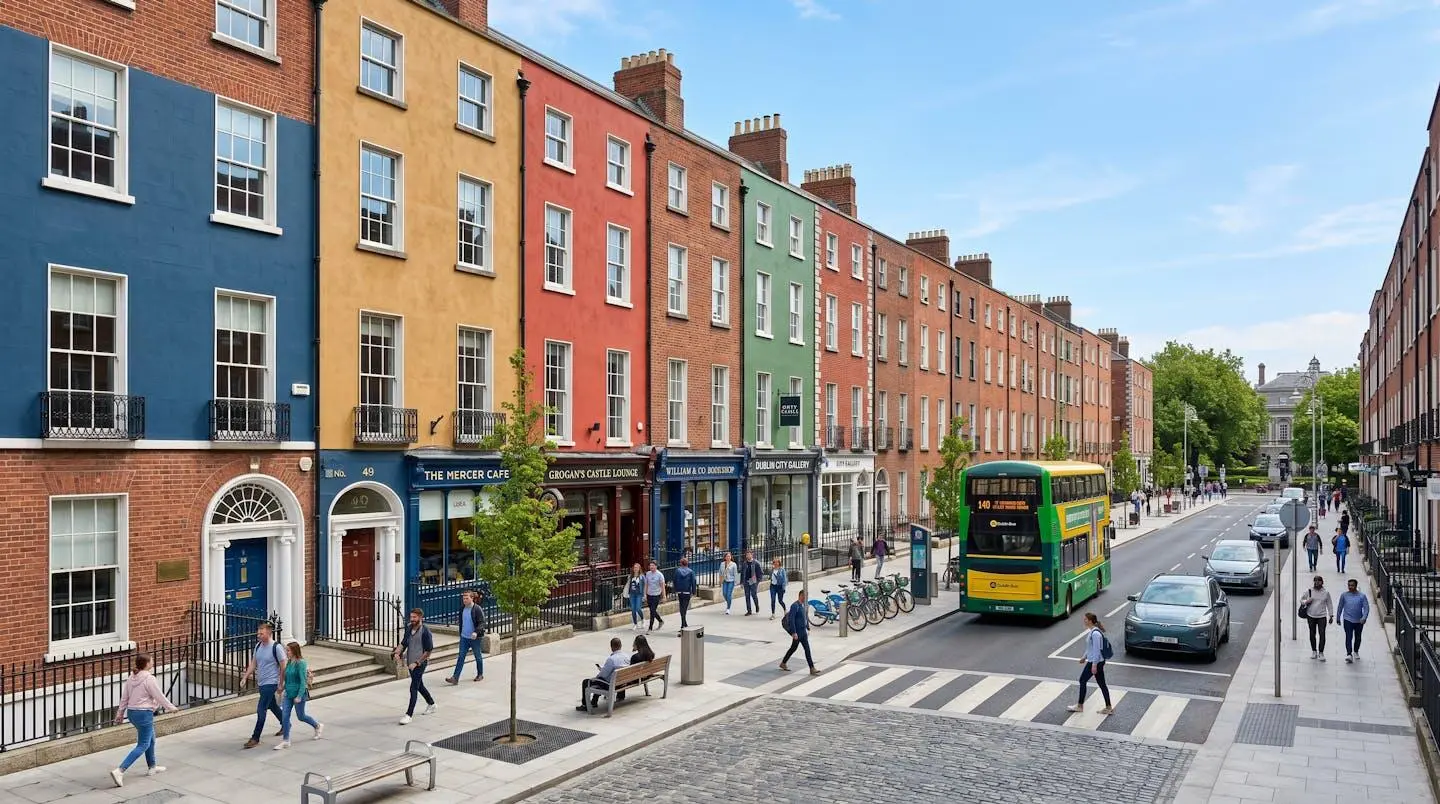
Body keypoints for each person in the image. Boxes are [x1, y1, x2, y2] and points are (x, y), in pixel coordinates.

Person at [109, 654, 177, 788]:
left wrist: (120, 714)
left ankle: (152, 767)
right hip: (144, 714)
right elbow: (159, 695)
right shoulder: (149, 679)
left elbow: (124, 698)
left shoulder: (131, 678)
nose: (153, 662)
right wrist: (171, 707)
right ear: (146, 664)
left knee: (151, 740)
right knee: (143, 744)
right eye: (152, 660)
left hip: (133, 713)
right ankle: (120, 771)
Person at [240, 622, 285, 749]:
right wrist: (245, 677)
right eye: (258, 633)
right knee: (272, 705)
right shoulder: (258, 646)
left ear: (269, 633)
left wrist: (281, 683)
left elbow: (283, 667)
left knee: (261, 709)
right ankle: (286, 724)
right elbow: (254, 663)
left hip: (271, 683)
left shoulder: (276, 647)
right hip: (261, 682)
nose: (258, 635)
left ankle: (255, 737)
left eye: (261, 633)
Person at [275, 641, 322, 749]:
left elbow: (302, 681)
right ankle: (286, 740)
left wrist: (299, 696)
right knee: (285, 716)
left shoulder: (301, 663)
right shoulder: (289, 662)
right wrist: (282, 688)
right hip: (288, 694)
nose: (286, 652)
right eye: (286, 650)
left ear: (294, 651)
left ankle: (317, 726)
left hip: (298, 694)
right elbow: (288, 679)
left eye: (288, 650)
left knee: (301, 716)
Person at [393, 608, 436, 724]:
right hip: (410, 662)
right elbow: (403, 643)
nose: (412, 619)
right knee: (419, 685)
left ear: (420, 618)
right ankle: (431, 703)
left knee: (413, 688)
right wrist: (397, 652)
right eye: (411, 617)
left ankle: (409, 714)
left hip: (419, 663)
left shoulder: (425, 632)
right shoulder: (409, 628)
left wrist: (417, 663)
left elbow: (428, 651)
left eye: (414, 617)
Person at [1066, 613, 1113, 715]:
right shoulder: (1093, 631)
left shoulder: (1095, 634)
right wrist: (1084, 657)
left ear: (1090, 621)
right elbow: (1090, 648)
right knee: (1102, 684)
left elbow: (1096, 650)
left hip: (1095, 662)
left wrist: (1094, 665)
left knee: (1082, 680)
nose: (1084, 621)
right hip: (1096, 661)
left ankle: (1080, 706)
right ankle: (1108, 707)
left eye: (1086, 619)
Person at [577, 637, 630, 711]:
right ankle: (594, 701)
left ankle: (585, 705)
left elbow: (603, 675)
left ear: (612, 647)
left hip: (611, 685)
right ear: (621, 645)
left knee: (587, 681)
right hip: (622, 682)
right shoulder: (627, 656)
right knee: (601, 680)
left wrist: (597, 676)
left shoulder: (611, 659)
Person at [445, 589, 486, 685]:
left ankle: (480, 674)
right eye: (463, 598)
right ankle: (455, 678)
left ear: (472, 598)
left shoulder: (477, 609)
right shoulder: (462, 609)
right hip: (464, 637)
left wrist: (476, 632)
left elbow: (482, 623)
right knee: (461, 657)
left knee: (478, 656)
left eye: (466, 598)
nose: (464, 600)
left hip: (474, 638)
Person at [779, 595, 819, 675]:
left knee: (802, 649)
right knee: (796, 649)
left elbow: (805, 617)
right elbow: (791, 619)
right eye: (805, 596)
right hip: (797, 633)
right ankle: (811, 668)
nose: (806, 598)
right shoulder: (795, 606)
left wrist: (807, 627)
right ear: (801, 596)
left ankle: (811, 668)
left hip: (803, 632)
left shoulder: (802, 605)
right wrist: (794, 632)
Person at [1301, 575, 1335, 661]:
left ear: (1322, 582)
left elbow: (1329, 604)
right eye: (1315, 581)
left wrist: (1331, 615)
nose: (1317, 582)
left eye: (1319, 581)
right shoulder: (1309, 591)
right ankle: (1314, 651)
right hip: (1311, 615)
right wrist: (1306, 601)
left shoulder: (1326, 593)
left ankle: (1321, 652)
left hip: (1322, 616)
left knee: (1322, 634)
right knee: (1312, 633)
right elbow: (1301, 600)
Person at [1337, 578, 1370, 663]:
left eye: (1352, 585)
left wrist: (1364, 617)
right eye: (1349, 585)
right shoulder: (1344, 595)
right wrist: (1338, 617)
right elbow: (1340, 606)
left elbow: (1366, 608)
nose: (1350, 587)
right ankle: (1349, 654)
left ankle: (1356, 651)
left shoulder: (1362, 596)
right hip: (1347, 619)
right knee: (1349, 636)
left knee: (1358, 637)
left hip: (1359, 620)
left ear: (1356, 586)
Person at [615, 635, 655, 703]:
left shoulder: (635, 657)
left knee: (620, 676)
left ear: (637, 644)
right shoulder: (651, 654)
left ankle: (620, 696)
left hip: (635, 679)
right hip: (646, 676)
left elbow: (630, 672)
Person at [673, 557, 696, 631]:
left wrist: (675, 589)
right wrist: (693, 591)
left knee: (682, 607)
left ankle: (684, 624)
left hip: (680, 591)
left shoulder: (677, 571)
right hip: (687, 591)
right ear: (687, 563)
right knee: (684, 608)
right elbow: (693, 582)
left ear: (681, 563)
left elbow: (674, 580)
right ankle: (683, 625)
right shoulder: (691, 571)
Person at [740, 550, 764, 616]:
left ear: (752, 555)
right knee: (747, 596)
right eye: (747, 554)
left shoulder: (756, 563)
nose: (748, 556)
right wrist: (741, 582)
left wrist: (757, 581)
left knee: (753, 595)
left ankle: (757, 605)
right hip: (746, 581)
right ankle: (749, 611)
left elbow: (761, 573)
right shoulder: (744, 563)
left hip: (753, 581)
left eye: (749, 554)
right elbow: (742, 573)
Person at [643, 560, 666, 631]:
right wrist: (645, 594)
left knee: (652, 611)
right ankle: (660, 621)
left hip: (656, 595)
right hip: (649, 594)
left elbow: (662, 586)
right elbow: (646, 585)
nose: (651, 567)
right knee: (652, 610)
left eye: (653, 565)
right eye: (650, 565)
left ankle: (650, 627)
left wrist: (664, 596)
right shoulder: (648, 574)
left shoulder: (660, 575)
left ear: (656, 566)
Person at [626, 563, 646, 630]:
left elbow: (645, 585)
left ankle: (643, 619)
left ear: (639, 568)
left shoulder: (642, 576)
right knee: (633, 609)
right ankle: (635, 624)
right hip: (632, 594)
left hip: (639, 594)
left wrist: (644, 594)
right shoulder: (630, 576)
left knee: (638, 608)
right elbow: (628, 585)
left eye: (637, 567)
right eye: (634, 567)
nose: (635, 569)